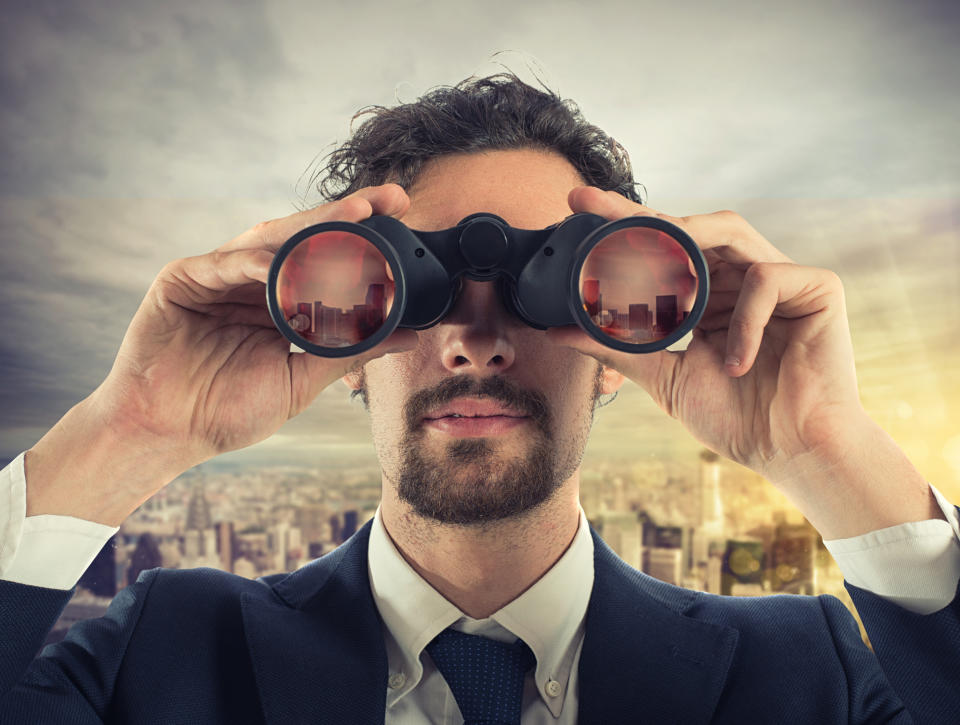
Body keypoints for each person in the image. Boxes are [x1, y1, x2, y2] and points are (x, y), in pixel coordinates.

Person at [0, 72, 957, 724]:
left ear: (622, 346)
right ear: (353, 353)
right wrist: (124, 430)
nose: (474, 339)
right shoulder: (159, 650)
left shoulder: (801, 671)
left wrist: (832, 453)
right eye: (407, 288)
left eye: (558, 281)